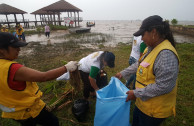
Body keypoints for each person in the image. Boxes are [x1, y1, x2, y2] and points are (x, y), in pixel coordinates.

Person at [0, 32, 78, 126]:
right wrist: (66, 68)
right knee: (53, 122)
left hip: (14, 112)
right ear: (2, 50)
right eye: (15, 47)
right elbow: (44, 76)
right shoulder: (12, 68)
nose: (19, 50)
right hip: (29, 110)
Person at [115, 15, 179, 126]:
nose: (142, 39)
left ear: (153, 32)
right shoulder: (150, 47)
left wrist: (135, 93)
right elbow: (139, 65)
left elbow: (164, 86)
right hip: (142, 104)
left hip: (153, 111)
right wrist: (123, 73)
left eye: (143, 35)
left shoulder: (166, 54)